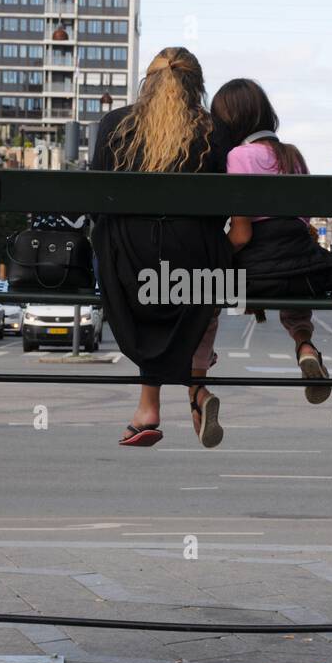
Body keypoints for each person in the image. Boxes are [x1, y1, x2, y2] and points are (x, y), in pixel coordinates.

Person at [194, 78, 332, 413]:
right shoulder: (293, 156)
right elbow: (300, 225)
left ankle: (199, 382)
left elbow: (242, 236)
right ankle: (305, 345)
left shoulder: (237, 157)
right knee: (292, 278)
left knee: (205, 290)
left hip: (258, 275)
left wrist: (214, 258)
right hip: (303, 269)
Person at [90, 46, 233, 448]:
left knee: (146, 275)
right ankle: (195, 390)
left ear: (147, 83)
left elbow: (96, 200)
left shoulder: (115, 124)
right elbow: (223, 211)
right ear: (197, 87)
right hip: (194, 266)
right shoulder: (214, 131)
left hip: (127, 268)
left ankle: (149, 408)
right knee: (207, 276)